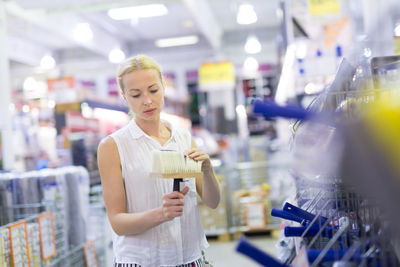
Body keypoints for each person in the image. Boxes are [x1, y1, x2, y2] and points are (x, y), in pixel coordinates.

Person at [97, 54, 220, 267]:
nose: (147, 101)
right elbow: (117, 222)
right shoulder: (113, 146)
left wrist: (208, 171)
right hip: (141, 260)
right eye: (136, 95)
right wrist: (161, 214)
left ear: (163, 87)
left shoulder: (183, 137)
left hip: (190, 257)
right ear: (125, 97)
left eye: (153, 90)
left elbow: (212, 201)